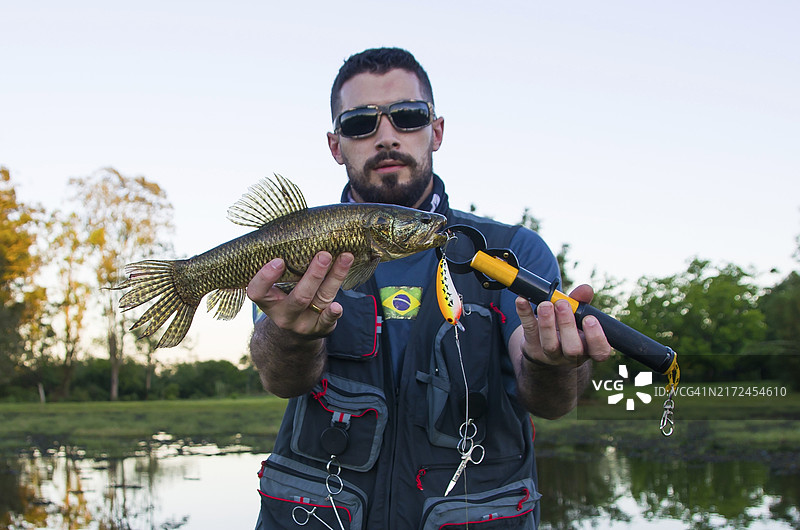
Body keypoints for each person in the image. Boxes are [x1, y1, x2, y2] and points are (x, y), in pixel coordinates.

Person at [247, 47, 611, 529]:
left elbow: (553, 401)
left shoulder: (513, 251)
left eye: (408, 116)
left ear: (435, 131)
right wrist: (292, 336)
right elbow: (281, 381)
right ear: (336, 145)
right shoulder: (298, 246)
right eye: (360, 124)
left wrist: (554, 362)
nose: (386, 136)